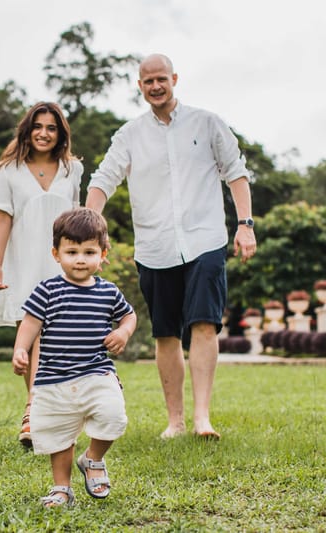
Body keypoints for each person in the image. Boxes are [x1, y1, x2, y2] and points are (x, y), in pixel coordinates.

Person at [85, 53, 256, 440]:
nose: (155, 86)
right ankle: (175, 421)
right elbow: (103, 179)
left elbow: (236, 172)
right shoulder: (129, 135)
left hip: (205, 238)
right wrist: (89, 230)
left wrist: (245, 225)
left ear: (174, 79)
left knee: (204, 323)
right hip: (155, 246)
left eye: (161, 78)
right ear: (140, 86)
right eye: (148, 81)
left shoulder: (207, 122)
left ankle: (201, 418)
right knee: (166, 333)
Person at [12, 207, 137, 508]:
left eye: (89, 252)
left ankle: (93, 458)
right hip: (54, 378)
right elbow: (30, 322)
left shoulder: (108, 292)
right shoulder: (47, 290)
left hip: (97, 372)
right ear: (56, 254)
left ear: (103, 254)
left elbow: (129, 316)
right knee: (59, 434)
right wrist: (20, 348)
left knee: (113, 415)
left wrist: (123, 333)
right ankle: (62, 489)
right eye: (72, 252)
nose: (80, 259)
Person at [0, 102, 83, 448]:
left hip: (60, 264)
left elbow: (78, 218)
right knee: (32, 335)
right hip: (23, 262)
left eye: (51, 128)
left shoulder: (72, 170)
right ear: (27, 130)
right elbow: (2, 218)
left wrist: (87, 255)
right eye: (38, 126)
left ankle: (38, 412)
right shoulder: (8, 170)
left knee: (55, 337)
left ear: (61, 134)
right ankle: (34, 409)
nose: (44, 133)